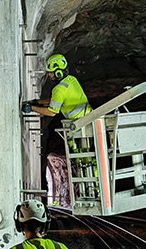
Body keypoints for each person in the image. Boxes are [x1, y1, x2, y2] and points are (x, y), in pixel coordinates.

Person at [21, 54, 95, 200]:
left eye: (50, 72)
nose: (48, 75)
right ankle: (91, 188)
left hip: (80, 128)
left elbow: (52, 111)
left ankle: (91, 190)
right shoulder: (71, 81)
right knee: (89, 158)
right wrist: (37, 102)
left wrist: (32, 108)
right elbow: (56, 101)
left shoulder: (59, 89)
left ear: (58, 72)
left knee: (84, 159)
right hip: (88, 121)